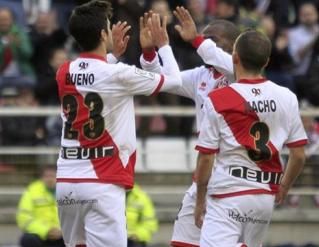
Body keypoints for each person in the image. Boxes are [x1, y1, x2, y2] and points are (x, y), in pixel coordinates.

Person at [54, 1, 181, 246]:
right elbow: (174, 81)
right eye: (109, 27)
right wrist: (162, 46)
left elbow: (91, 77)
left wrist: (111, 56)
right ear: (103, 34)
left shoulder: (64, 72)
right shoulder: (119, 74)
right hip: (102, 179)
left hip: (68, 182)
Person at [194, 30, 307, 247]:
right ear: (266, 61)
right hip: (264, 195)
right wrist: (284, 187)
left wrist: (200, 201)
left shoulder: (218, 99)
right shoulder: (287, 97)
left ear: (235, 58)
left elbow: (206, 158)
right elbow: (299, 155)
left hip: (228, 192)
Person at [139, 7, 240, 247]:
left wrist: (196, 39)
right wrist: (151, 52)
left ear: (235, 45)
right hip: (205, 172)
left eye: (212, 40)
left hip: (233, 171)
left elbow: (225, 62)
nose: (205, 44)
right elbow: (165, 80)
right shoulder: (201, 75)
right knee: (182, 241)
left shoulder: (242, 74)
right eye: (204, 39)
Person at [17, 165, 64, 247]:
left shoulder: (68, 190)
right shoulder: (32, 190)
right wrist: (46, 231)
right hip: (40, 235)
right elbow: (24, 218)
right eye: (46, 176)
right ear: (41, 178)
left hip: (62, 235)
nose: (50, 179)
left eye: (52, 176)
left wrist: (62, 232)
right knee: (28, 239)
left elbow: (75, 217)